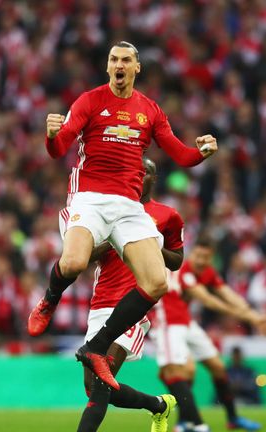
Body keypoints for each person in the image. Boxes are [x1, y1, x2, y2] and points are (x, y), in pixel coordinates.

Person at [27, 41, 217, 389]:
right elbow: (59, 149)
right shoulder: (89, 100)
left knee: (157, 282)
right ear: (108, 67)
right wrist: (51, 135)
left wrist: (201, 152)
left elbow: (180, 153)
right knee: (72, 264)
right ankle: (49, 300)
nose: (119, 64)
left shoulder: (150, 110)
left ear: (136, 68)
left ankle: (97, 346)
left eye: (126, 60)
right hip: (89, 198)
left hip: (128, 206)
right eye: (114, 59)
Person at [77, 158, 178, 432]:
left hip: (133, 308)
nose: (140, 176)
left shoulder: (167, 216)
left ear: (153, 178)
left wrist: (152, 242)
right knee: (93, 387)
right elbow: (85, 256)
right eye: (136, 171)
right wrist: (112, 236)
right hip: (100, 306)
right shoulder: (108, 211)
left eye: (146, 173)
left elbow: (177, 260)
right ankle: (159, 405)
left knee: (100, 383)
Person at [153, 238, 266, 432]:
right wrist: (249, 317)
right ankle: (191, 423)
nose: (201, 260)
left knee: (217, 367)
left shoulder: (207, 271)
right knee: (184, 372)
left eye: (206, 257)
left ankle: (232, 418)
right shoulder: (184, 269)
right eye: (198, 256)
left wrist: (254, 315)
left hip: (186, 322)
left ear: (211, 258)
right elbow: (207, 300)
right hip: (167, 323)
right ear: (192, 254)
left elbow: (226, 292)